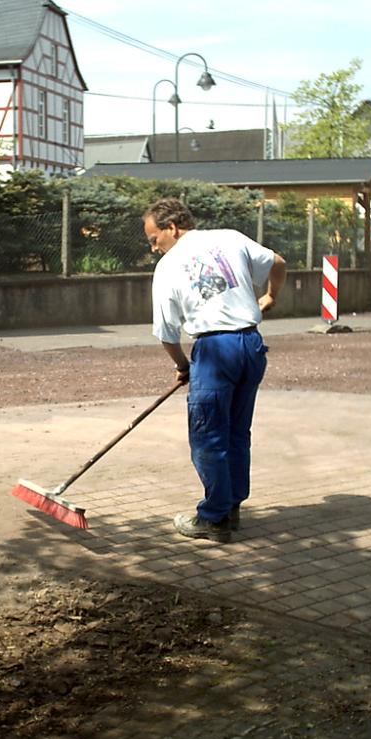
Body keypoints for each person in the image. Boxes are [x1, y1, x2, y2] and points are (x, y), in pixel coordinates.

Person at [143, 198, 286, 543]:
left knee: (208, 434)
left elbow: (166, 334)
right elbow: (278, 262)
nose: (153, 248)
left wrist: (183, 366)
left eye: (153, 239)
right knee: (237, 431)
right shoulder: (230, 238)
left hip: (214, 349)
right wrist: (270, 298)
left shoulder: (168, 266)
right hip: (251, 346)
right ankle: (231, 506)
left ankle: (214, 518)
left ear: (172, 227)